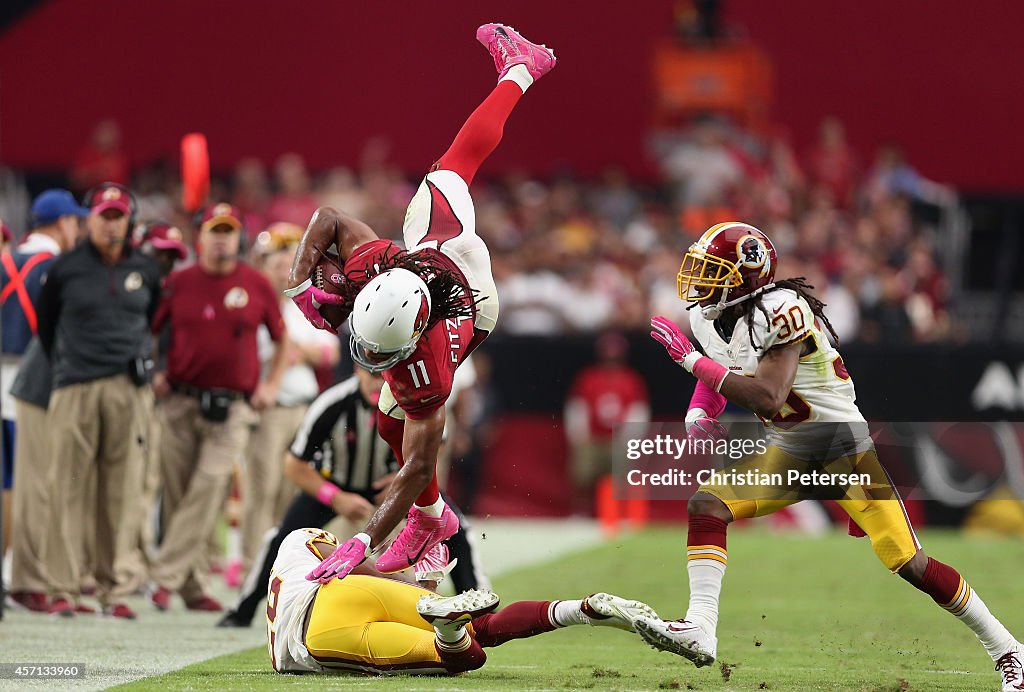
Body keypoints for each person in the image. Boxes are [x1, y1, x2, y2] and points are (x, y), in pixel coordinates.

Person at [637, 221, 1024, 691]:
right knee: (707, 505)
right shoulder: (710, 316)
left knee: (910, 563)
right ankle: (700, 626)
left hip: (841, 448)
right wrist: (700, 410)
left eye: (715, 271)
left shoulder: (783, 309)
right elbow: (726, 362)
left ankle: (1009, 650)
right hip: (791, 449)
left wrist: (687, 360)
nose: (701, 281)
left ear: (749, 275)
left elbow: (768, 396)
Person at [285, 23, 556, 582]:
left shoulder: (426, 367)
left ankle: (523, 68)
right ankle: (431, 522)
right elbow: (329, 218)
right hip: (430, 274)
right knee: (388, 412)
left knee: (453, 167)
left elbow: (415, 465)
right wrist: (299, 279)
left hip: (470, 296)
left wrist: (361, 540)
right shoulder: (379, 267)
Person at [217, 366, 487, 628]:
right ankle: (244, 609)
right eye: (371, 375)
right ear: (358, 370)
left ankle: (479, 607)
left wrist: (402, 481)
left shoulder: (414, 401)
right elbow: (293, 464)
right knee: (282, 538)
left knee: (455, 528)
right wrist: (335, 498)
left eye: (384, 377)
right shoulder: (333, 403)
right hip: (337, 485)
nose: (378, 384)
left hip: (397, 488)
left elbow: (436, 447)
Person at [147, 203, 289, 612]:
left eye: (230, 230)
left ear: (239, 238)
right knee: (177, 494)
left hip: (233, 409)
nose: (223, 237)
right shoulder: (178, 282)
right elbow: (150, 331)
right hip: (180, 401)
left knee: (209, 485)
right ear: (200, 237)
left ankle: (164, 576)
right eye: (215, 230)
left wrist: (272, 383)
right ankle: (191, 586)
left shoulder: (256, 284)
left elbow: (281, 340)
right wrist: (156, 368)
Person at [267, 527, 657, 675]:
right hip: (345, 593)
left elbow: (340, 563)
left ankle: (447, 623)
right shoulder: (308, 542)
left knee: (463, 656)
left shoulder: (291, 546)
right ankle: (581, 609)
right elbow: (355, 567)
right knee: (480, 631)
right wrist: (414, 579)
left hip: (317, 629)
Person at [36, 182, 162, 618]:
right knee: (66, 488)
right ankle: (63, 588)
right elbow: (46, 329)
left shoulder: (145, 269)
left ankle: (116, 589)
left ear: (128, 221)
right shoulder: (65, 268)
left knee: (122, 492)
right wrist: (70, 369)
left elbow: (150, 321)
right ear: (90, 219)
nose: (111, 225)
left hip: (129, 390)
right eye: (104, 216)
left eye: (118, 217)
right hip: (75, 387)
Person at [238, 223, 340, 580]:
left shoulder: (301, 304)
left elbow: (330, 352)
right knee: (260, 488)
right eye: (276, 258)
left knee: (290, 492)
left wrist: (299, 352)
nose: (284, 265)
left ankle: (280, 567)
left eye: (289, 257)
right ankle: (253, 566)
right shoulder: (251, 301)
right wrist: (294, 352)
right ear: (261, 262)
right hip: (270, 407)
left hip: (304, 407)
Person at [2, 189, 87, 612]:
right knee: (33, 484)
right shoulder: (58, 268)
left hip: (8, 378)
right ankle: (25, 576)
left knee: (12, 482)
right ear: (62, 222)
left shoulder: (4, 260)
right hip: (37, 379)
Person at [564, 333, 650, 513]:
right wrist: (579, 434)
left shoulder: (631, 379)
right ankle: (581, 512)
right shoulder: (589, 377)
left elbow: (638, 410)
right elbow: (578, 406)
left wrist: (630, 438)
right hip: (593, 436)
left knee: (619, 476)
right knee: (583, 475)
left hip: (619, 438)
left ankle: (616, 513)